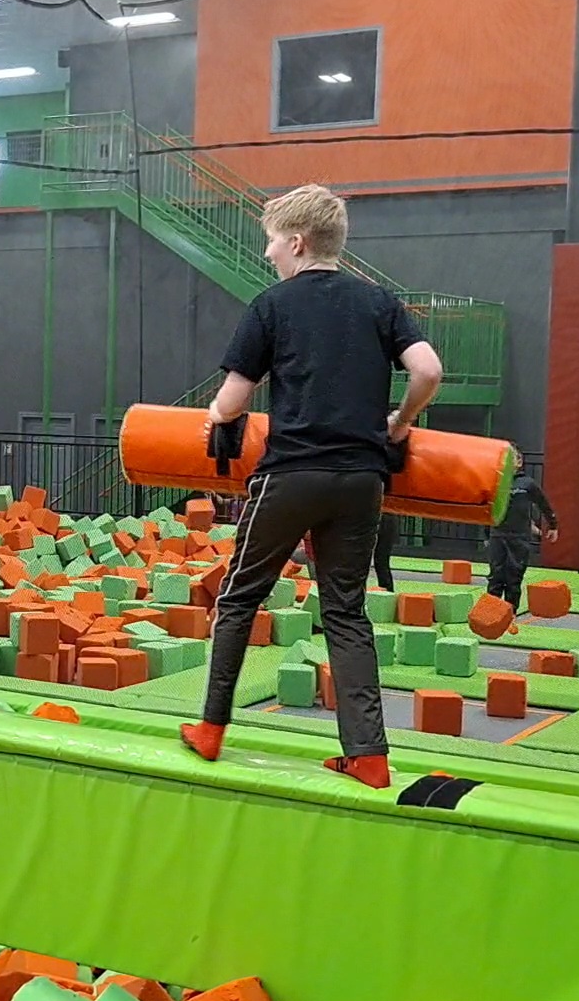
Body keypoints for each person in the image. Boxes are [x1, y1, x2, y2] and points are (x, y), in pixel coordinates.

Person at [178, 184, 443, 789]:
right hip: (361, 479)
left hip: (292, 474)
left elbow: (233, 401)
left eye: (272, 241)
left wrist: (216, 415)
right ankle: (368, 756)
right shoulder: (378, 302)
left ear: (297, 243)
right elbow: (428, 369)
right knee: (346, 612)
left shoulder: (272, 305)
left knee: (239, 598)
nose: (268, 252)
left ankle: (211, 729)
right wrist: (401, 422)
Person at [486, 450, 558, 607]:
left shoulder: (527, 484)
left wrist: (553, 525)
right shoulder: (496, 482)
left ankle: (511, 612)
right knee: (495, 576)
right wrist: (487, 534)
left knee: (514, 576)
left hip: (519, 536)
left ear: (519, 462)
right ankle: (491, 613)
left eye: (512, 459)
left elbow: (543, 504)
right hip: (498, 534)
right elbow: (487, 508)